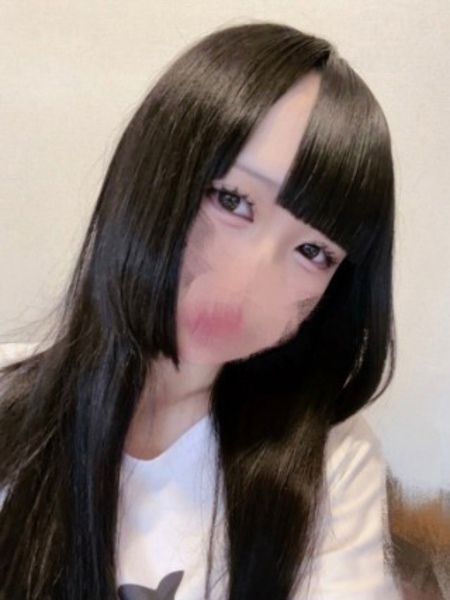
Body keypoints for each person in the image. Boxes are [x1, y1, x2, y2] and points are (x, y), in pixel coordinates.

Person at [0, 21, 401, 599]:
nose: (246, 283)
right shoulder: (11, 403)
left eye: (314, 251)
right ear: (154, 175)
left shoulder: (332, 461)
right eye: (232, 201)